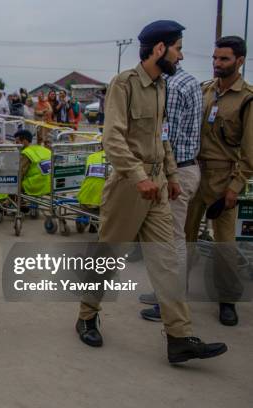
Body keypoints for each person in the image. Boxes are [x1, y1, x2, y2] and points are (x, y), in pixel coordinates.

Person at [75, 20, 227, 364]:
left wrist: (170, 175)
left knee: (168, 261)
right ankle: (86, 315)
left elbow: (163, 135)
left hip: (157, 187)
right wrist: (139, 175)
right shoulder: (123, 85)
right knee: (108, 256)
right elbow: (112, 139)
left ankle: (180, 336)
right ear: (159, 49)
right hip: (129, 187)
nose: (181, 54)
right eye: (177, 47)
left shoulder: (162, 86)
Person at [184, 36, 252, 326]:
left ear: (240, 61)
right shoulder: (205, 91)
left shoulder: (247, 98)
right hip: (194, 173)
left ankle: (227, 300)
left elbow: (250, 150)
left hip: (224, 177)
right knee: (183, 238)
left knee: (224, 244)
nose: (216, 63)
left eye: (223, 59)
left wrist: (235, 187)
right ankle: (174, 292)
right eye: (214, 58)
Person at [139, 59, 203, 321]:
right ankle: (167, 296)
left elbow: (166, 136)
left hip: (175, 171)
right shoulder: (190, 81)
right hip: (186, 168)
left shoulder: (173, 87)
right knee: (171, 238)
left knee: (171, 240)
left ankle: (170, 305)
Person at [15, 129, 51, 196]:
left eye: (17, 142)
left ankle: (17, 204)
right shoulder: (44, 149)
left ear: (24, 141)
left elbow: (20, 171)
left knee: (14, 184)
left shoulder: (26, 152)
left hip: (37, 185)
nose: (16, 145)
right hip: (51, 184)